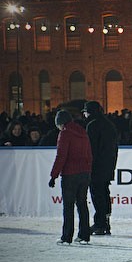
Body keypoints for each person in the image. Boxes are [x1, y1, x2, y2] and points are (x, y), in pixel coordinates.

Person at [49, 110, 93, 245]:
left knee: (68, 206)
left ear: (60, 123)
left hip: (70, 174)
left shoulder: (65, 133)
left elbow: (61, 156)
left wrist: (53, 175)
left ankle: (66, 237)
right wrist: (88, 170)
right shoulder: (83, 132)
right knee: (82, 204)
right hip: (84, 173)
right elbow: (89, 154)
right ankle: (84, 235)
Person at [83, 101, 119, 236]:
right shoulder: (109, 125)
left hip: (96, 167)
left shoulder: (92, 125)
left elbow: (91, 148)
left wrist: (89, 165)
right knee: (104, 193)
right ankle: (105, 222)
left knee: (97, 195)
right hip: (108, 165)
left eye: (85, 112)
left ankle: (100, 224)